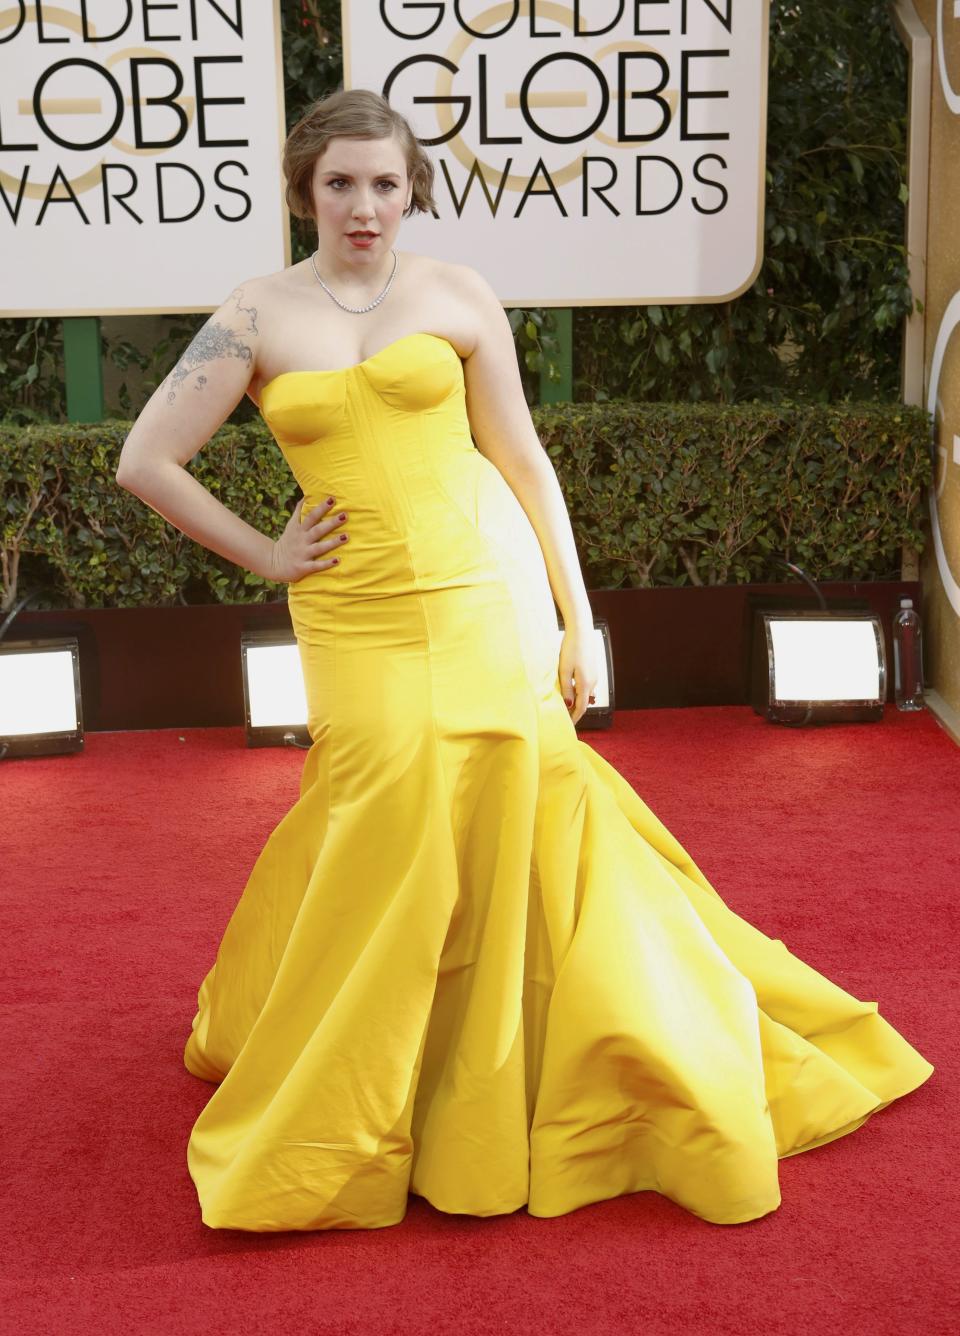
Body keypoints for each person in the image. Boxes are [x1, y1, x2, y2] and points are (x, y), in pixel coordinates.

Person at [115, 88, 934, 1233]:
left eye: (387, 183)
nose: (365, 205)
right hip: (352, 614)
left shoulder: (456, 294)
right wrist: (266, 552)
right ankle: (368, 1081)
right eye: (341, 182)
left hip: (481, 589)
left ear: (414, 191)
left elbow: (524, 459)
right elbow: (146, 459)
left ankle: (521, 1079)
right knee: (382, 807)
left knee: (522, 803)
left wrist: (576, 618)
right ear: (306, 188)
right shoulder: (254, 314)